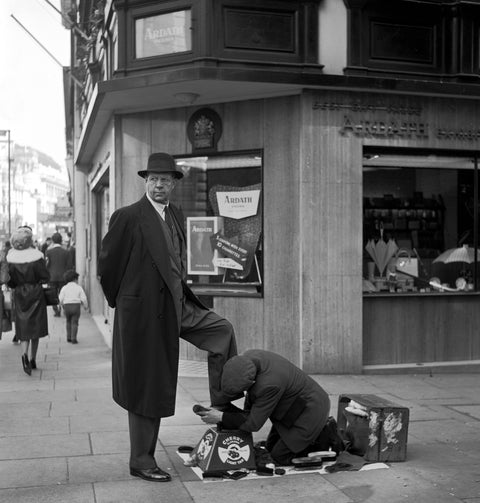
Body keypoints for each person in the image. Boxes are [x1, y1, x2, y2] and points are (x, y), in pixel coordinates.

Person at [98, 152, 240, 483]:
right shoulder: (128, 216)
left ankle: (220, 410)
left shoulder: (175, 213)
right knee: (147, 384)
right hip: (145, 314)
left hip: (178, 306)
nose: (159, 185)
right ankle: (141, 460)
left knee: (221, 331)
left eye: (165, 180)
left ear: (174, 184)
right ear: (146, 182)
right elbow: (107, 268)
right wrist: (127, 305)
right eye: (153, 180)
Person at [196, 349, 344, 466]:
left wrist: (221, 417)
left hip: (311, 410)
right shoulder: (249, 360)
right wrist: (225, 412)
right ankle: (313, 436)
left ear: (252, 382)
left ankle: (324, 436)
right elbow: (250, 408)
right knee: (270, 448)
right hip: (292, 408)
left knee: (279, 456)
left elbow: (253, 424)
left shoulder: (269, 384)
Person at [6, 227, 49, 375]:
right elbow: (45, 277)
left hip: (20, 294)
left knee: (23, 326)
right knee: (35, 326)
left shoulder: (11, 258)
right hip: (35, 293)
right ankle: (33, 359)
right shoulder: (37, 257)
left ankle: (24, 354)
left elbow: (10, 281)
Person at [59, 269, 88, 344]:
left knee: (68, 322)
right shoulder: (79, 287)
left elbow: (60, 298)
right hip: (76, 307)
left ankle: (68, 337)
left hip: (67, 306)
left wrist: (61, 305)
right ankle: (74, 338)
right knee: (75, 322)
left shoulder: (64, 288)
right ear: (75, 279)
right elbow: (84, 298)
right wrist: (85, 306)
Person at [45, 232, 70, 316]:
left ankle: (56, 310)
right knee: (63, 294)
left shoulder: (48, 252)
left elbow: (46, 265)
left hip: (52, 277)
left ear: (52, 241)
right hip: (63, 277)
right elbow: (69, 265)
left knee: (53, 295)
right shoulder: (66, 252)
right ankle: (63, 308)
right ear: (61, 241)